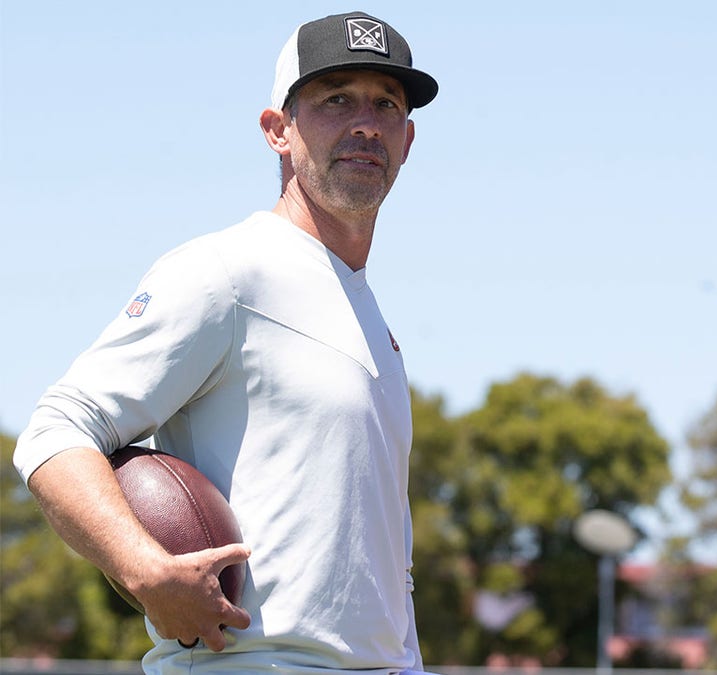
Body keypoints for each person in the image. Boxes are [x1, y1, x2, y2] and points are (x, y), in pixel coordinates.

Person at [14, 11, 438, 673]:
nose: (365, 122)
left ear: (407, 140)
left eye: (386, 104)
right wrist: (145, 569)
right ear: (278, 130)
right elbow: (56, 430)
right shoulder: (225, 273)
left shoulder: (372, 322)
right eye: (336, 100)